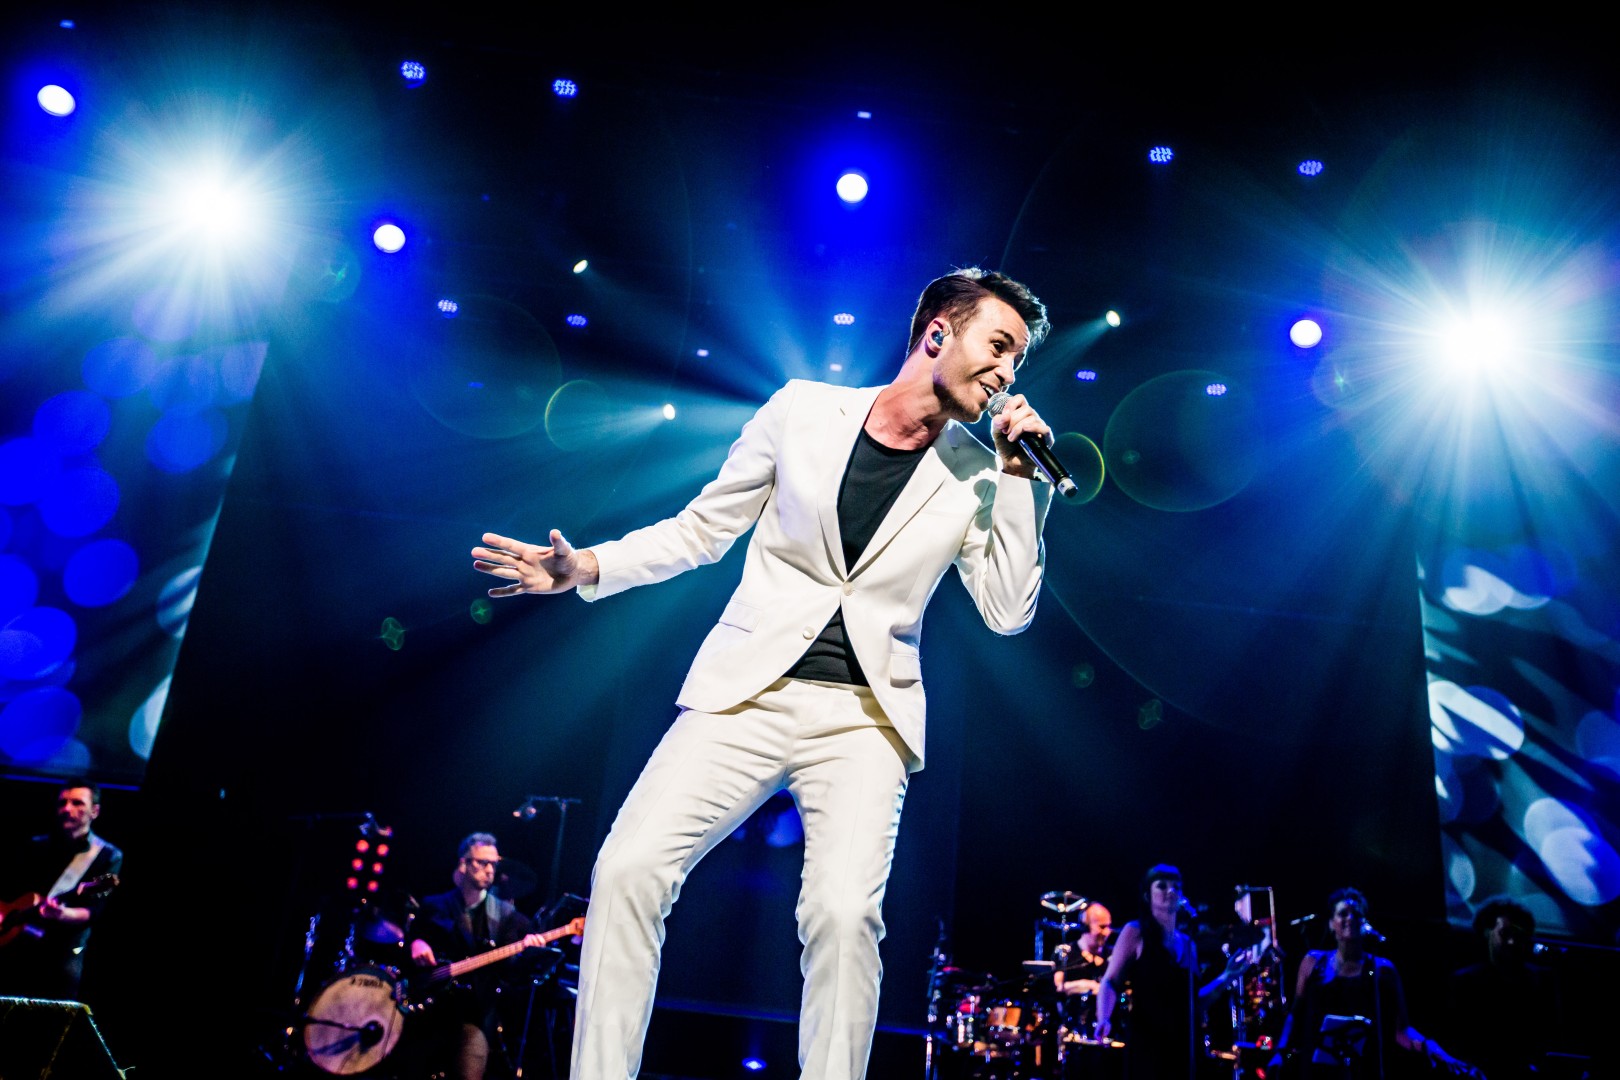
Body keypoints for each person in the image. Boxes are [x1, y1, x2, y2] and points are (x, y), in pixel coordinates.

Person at [471, 267, 1056, 1080]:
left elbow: (1007, 609)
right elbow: (700, 531)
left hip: (865, 718)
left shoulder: (981, 471)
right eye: (998, 346)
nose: (1006, 372)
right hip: (746, 691)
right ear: (937, 333)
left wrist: (1022, 481)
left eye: (1018, 360)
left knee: (843, 915)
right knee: (629, 868)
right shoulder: (802, 410)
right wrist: (588, 566)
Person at [1272, 887, 1476, 1080]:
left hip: (1364, 1070)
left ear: (1364, 922)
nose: (1350, 918)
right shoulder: (1313, 962)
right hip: (1317, 1070)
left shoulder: (1382, 969)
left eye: (1356, 914)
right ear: (1332, 924)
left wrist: (1435, 1051)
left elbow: (1401, 1030)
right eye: (1343, 914)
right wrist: (1280, 1053)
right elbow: (1295, 1014)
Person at [1094, 865, 1253, 1080]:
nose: (1170, 891)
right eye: (1162, 886)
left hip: (1184, 1046)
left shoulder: (1188, 943)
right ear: (1147, 895)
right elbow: (1111, 981)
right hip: (1148, 1043)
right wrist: (1104, 1017)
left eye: (1176, 887)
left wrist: (1227, 976)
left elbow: (1194, 1002)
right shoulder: (1135, 932)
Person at [408, 832, 538, 1080]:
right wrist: (417, 943)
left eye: (493, 864)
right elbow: (415, 936)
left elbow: (511, 972)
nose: (489, 870)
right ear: (463, 864)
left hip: (473, 1015)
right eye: (482, 862)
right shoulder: (435, 905)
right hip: (429, 1011)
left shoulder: (507, 916)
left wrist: (528, 952)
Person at [0, 780, 124, 1002]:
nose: (67, 809)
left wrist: (62, 914)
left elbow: (92, 911)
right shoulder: (36, 845)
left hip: (63, 951)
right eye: (62, 803)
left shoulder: (107, 855)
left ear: (95, 811)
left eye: (77, 803)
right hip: (18, 942)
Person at [1445, 896, 1559, 1080]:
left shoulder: (1542, 980)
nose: (1512, 942)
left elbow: (1550, 1036)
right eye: (1505, 933)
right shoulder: (1465, 982)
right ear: (1487, 932)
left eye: (1519, 935)